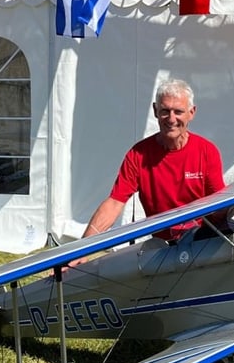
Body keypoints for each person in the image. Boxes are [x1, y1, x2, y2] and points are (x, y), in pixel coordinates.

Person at [81, 78, 226, 245]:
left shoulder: (206, 151)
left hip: (202, 242)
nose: (171, 119)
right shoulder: (138, 154)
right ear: (155, 111)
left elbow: (219, 210)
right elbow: (114, 203)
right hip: (163, 248)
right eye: (165, 111)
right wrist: (80, 249)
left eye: (178, 112)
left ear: (191, 113)